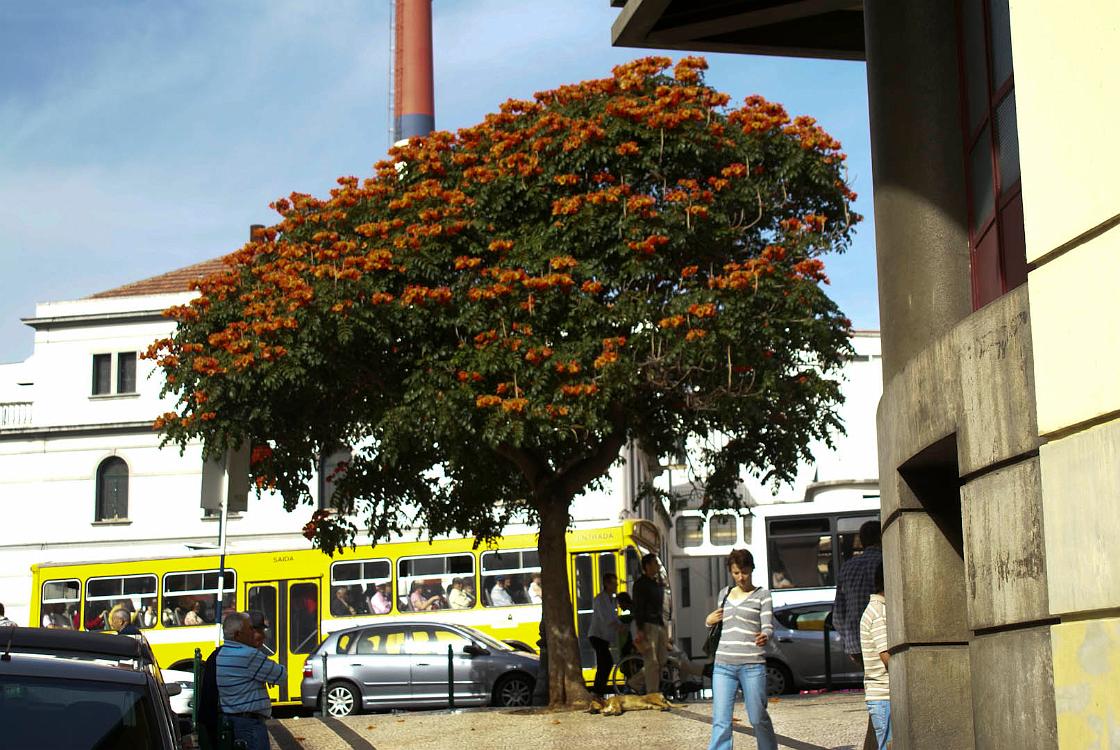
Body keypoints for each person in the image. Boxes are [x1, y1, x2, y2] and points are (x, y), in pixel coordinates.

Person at [705, 548, 776, 750]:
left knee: (757, 717)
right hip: (723, 665)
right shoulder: (724, 594)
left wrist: (766, 635)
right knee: (721, 720)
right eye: (736, 572)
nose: (741, 577)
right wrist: (708, 621)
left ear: (752, 569)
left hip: (752, 665)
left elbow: (768, 626)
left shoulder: (763, 595)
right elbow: (716, 623)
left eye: (744, 571)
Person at [833, 520, 884, 750]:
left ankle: (873, 744)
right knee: (884, 691)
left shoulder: (847, 567)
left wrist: (848, 642)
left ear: (861, 541)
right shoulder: (885, 562)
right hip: (882, 636)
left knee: (874, 688)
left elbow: (838, 613)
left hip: (857, 642)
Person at [216, 611, 285, 750]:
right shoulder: (249, 655)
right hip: (250, 723)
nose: (252, 632)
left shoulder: (221, 653)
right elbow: (282, 675)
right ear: (237, 634)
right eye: (249, 629)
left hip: (232, 719)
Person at [860, 563, 891, 750]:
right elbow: (886, 656)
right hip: (884, 695)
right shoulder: (880, 612)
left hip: (881, 696)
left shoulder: (876, 609)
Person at [632, 553, 668, 696]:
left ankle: (635, 682)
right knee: (651, 661)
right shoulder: (640, 584)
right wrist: (640, 629)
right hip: (648, 625)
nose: (657, 566)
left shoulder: (656, 583)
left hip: (659, 624)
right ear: (647, 566)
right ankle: (653, 693)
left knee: (661, 660)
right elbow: (638, 607)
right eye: (655, 563)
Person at [587, 572, 625, 696]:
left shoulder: (611, 600)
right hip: (597, 636)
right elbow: (607, 618)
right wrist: (618, 626)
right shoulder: (600, 599)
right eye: (613, 583)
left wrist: (619, 624)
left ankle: (598, 691)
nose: (616, 586)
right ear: (606, 584)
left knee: (605, 663)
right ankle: (597, 691)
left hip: (603, 637)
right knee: (606, 662)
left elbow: (613, 617)